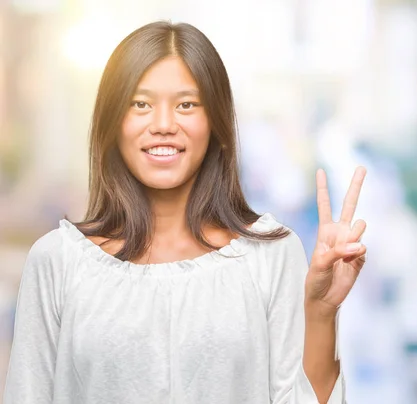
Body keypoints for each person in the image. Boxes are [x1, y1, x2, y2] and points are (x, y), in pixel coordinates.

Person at [3, 21, 367, 404]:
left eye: (186, 105)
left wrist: (323, 311)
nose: (163, 125)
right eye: (140, 104)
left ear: (216, 123)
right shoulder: (58, 262)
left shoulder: (270, 256)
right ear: (113, 122)